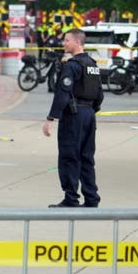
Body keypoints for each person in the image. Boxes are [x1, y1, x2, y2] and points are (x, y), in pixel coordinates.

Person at [44, 27, 103, 208]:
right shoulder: (92, 65)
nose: (64, 43)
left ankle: (71, 198)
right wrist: (91, 112)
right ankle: (91, 198)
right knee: (86, 157)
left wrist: (51, 118)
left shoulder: (72, 66)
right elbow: (100, 94)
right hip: (89, 115)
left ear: (78, 42)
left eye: (67, 40)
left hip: (74, 115)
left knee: (69, 156)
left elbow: (62, 93)